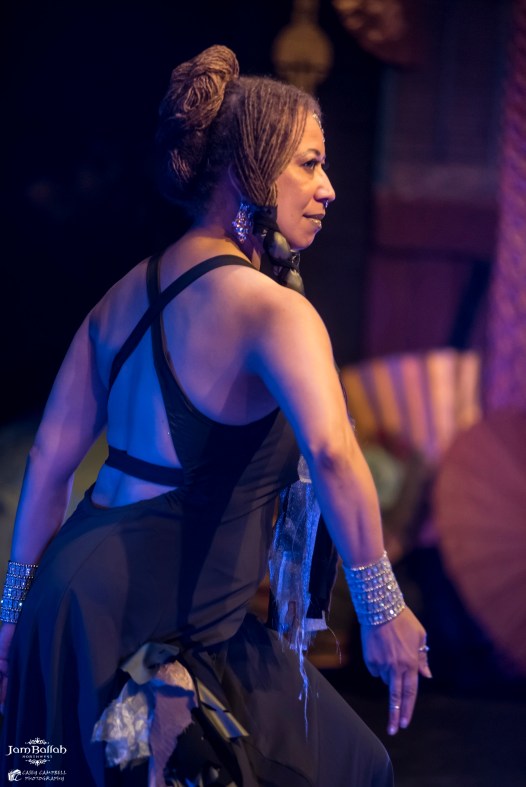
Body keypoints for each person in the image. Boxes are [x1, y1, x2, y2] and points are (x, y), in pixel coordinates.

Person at [0, 45, 430, 786]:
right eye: (308, 164)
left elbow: (49, 463)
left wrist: (12, 616)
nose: (328, 189)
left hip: (72, 606)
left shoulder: (121, 296)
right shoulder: (274, 312)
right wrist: (382, 607)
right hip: (148, 630)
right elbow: (332, 453)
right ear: (250, 170)